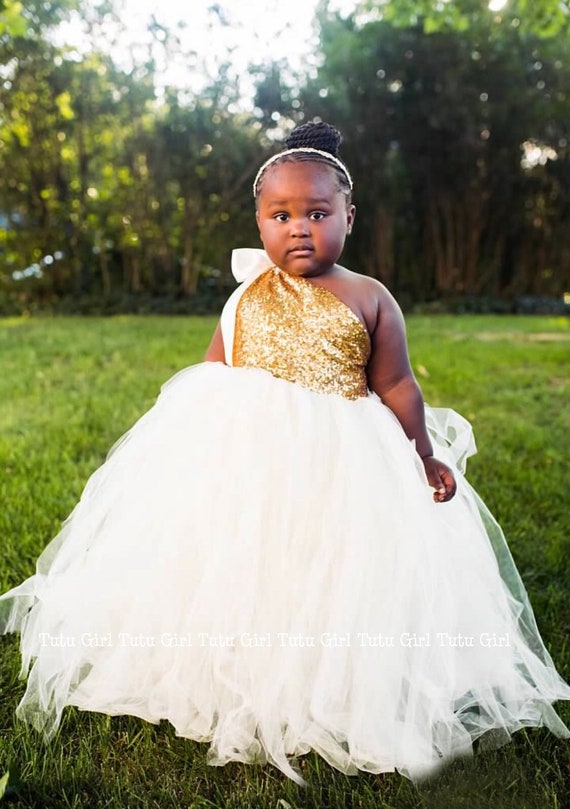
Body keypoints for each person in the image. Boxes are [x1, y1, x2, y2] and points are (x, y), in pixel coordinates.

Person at [1, 121, 568, 787]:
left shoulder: (369, 297)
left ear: (348, 218)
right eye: (281, 215)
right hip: (248, 459)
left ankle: (332, 671)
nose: (299, 228)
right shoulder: (244, 295)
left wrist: (423, 454)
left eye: (318, 213)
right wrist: (185, 440)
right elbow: (213, 371)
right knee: (237, 557)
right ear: (260, 221)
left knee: (333, 564)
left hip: (342, 461)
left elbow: (395, 383)